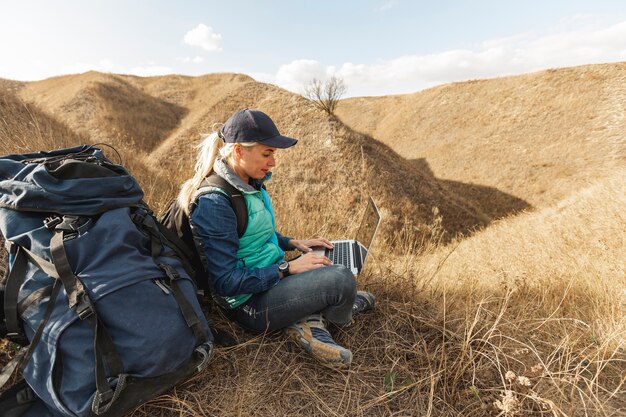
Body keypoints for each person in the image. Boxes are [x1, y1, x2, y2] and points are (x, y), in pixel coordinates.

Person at [176, 108, 375, 368]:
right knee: (341, 278)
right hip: (249, 303)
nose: (273, 162)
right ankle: (326, 318)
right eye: (267, 153)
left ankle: (308, 317)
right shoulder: (215, 202)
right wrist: (286, 268)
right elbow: (224, 282)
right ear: (238, 151)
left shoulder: (249, 182)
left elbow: (254, 232)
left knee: (329, 261)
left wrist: (293, 243)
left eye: (274, 154)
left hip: (270, 279)